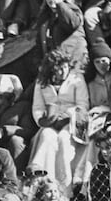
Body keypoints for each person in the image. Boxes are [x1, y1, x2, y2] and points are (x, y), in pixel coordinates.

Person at [28, 49, 89, 196]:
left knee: (63, 139)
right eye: (57, 69)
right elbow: (37, 107)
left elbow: (83, 105)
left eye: (64, 67)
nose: (62, 72)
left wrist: (66, 116)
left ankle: (66, 188)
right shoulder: (41, 82)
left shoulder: (77, 78)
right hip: (50, 121)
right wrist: (42, 120)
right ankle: (44, 183)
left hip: (74, 121)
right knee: (47, 137)